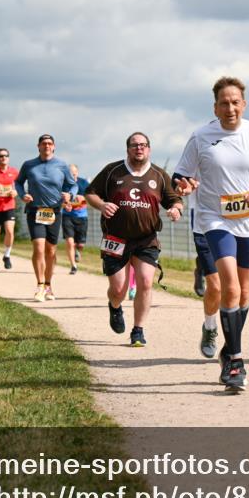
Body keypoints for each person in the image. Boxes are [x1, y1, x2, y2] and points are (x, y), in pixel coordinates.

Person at [173, 76, 249, 391]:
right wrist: (183, 185)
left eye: (235, 102)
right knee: (231, 287)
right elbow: (179, 175)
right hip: (215, 217)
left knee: (245, 292)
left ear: (244, 104)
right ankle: (235, 361)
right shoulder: (201, 137)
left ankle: (229, 345)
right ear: (216, 106)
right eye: (224, 102)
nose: (230, 108)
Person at [85, 131, 183, 347]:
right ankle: (115, 305)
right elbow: (90, 192)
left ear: (149, 149)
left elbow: (174, 200)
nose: (139, 148)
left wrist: (176, 210)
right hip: (115, 238)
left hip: (146, 239)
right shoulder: (112, 171)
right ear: (127, 149)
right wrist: (101, 205)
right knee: (119, 289)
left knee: (146, 282)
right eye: (134, 145)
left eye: (143, 145)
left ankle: (138, 330)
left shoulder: (158, 174)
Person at [15, 134, 76, 301]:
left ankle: (48, 285)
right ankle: (40, 285)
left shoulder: (62, 165)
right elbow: (18, 182)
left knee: (51, 250)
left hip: (54, 211)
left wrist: (70, 195)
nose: (47, 146)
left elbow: (73, 184)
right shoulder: (29, 165)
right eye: (43, 143)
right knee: (39, 247)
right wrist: (22, 195)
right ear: (38, 146)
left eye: (49, 143)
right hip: (35, 210)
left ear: (54, 146)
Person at [188, 187, 221, 358]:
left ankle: (232, 349)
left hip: (238, 222)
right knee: (216, 287)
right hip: (205, 217)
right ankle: (210, 327)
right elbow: (180, 178)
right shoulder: (197, 158)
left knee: (239, 290)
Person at [62, 164, 89, 275]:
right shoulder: (63, 184)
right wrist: (65, 205)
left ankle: (77, 251)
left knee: (80, 244)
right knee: (69, 242)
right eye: (70, 174)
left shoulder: (83, 183)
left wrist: (84, 198)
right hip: (67, 216)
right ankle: (73, 266)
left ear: (77, 173)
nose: (72, 176)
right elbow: (59, 200)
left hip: (82, 216)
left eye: (74, 174)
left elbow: (92, 196)